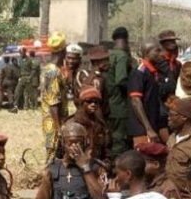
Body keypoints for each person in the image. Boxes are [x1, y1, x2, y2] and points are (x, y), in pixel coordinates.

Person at [128, 42, 167, 147]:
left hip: (152, 125)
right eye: (157, 51)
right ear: (147, 53)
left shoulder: (154, 72)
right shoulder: (139, 72)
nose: (161, 54)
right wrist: (148, 129)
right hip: (142, 129)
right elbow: (136, 101)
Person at [106, 27, 135, 156]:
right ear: (126, 40)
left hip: (109, 104)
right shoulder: (122, 56)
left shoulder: (109, 55)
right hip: (120, 106)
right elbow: (121, 80)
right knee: (119, 141)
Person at [41, 32, 68, 159]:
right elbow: (53, 104)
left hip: (53, 121)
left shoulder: (51, 69)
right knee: (53, 158)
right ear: (63, 51)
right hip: (53, 123)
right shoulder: (53, 72)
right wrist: (59, 129)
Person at [66, 87, 109, 161]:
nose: (93, 104)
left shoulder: (100, 124)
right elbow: (69, 152)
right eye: (89, 101)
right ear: (82, 103)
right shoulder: (73, 124)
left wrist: (106, 162)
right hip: (77, 163)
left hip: (97, 162)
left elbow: (106, 149)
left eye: (96, 102)